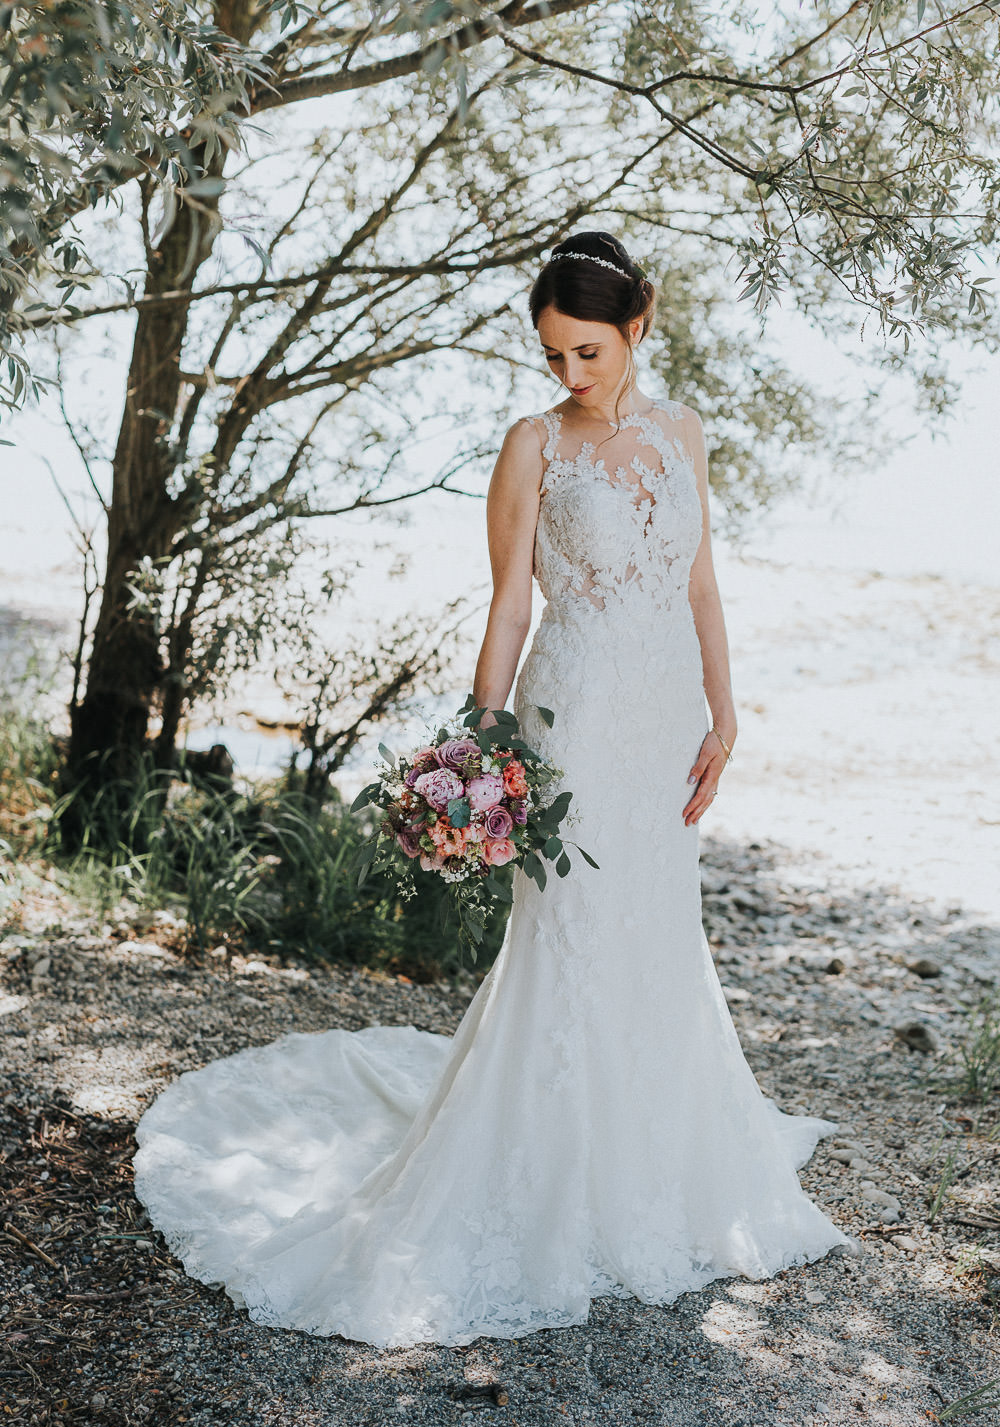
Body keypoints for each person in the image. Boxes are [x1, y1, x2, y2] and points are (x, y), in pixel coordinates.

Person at [132, 229, 854, 1351]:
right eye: (555, 356)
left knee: (656, 928)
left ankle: (656, 1165)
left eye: (588, 353)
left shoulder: (684, 434)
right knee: (569, 933)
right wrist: (480, 747)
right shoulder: (532, 447)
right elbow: (511, 606)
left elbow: (701, 581)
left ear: (638, 326)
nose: (570, 376)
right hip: (568, 716)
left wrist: (726, 710)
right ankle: (553, 1179)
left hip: (663, 717)